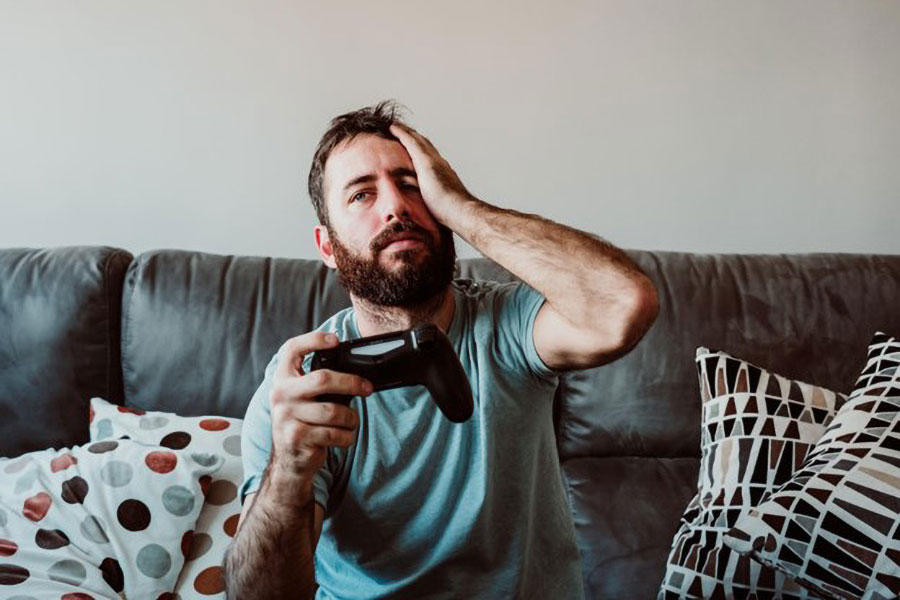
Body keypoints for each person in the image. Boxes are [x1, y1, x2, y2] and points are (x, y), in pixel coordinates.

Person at [223, 100, 659, 599]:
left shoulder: (509, 327)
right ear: (327, 246)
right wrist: (290, 471)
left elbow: (625, 304)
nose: (396, 207)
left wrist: (461, 207)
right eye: (362, 194)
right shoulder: (303, 388)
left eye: (410, 184)